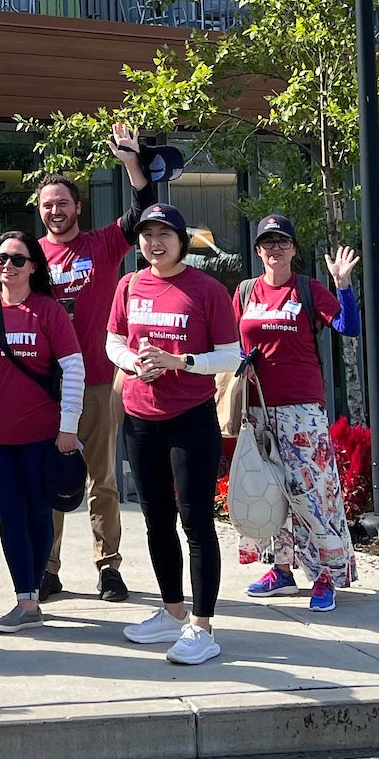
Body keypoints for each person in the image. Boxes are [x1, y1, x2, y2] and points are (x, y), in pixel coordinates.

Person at [106, 204, 244, 665]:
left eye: (164, 234)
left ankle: (202, 627)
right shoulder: (129, 284)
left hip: (190, 417)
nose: (154, 243)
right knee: (155, 519)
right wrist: (135, 364)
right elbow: (114, 342)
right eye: (147, 235)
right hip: (141, 419)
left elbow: (231, 357)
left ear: (182, 240)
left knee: (197, 522)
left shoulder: (207, 289)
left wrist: (180, 363)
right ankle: (171, 612)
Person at [34, 121, 158, 604]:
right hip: (47, 386)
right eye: (47, 205)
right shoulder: (32, 256)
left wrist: (132, 164)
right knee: (51, 478)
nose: (55, 211)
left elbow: (144, 212)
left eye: (63, 203)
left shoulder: (103, 245)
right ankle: (47, 567)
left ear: (77, 207)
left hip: (99, 381)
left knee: (101, 479)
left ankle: (108, 568)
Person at [0, 229, 83, 631]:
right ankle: (26, 600)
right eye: (0, 258)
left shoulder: (49, 311)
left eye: (17, 259)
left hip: (42, 435)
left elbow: (75, 369)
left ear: (34, 267)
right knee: (10, 517)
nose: (7, 265)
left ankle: (30, 599)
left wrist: (68, 428)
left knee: (39, 514)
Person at [236, 213, 363, 613]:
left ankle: (327, 575)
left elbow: (349, 326)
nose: (275, 248)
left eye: (283, 242)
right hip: (257, 410)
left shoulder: (306, 289)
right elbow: (229, 341)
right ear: (258, 251)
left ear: (294, 250)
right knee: (269, 490)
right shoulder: (243, 293)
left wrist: (342, 285)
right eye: (267, 242)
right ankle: (281, 570)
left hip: (302, 411)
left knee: (313, 496)